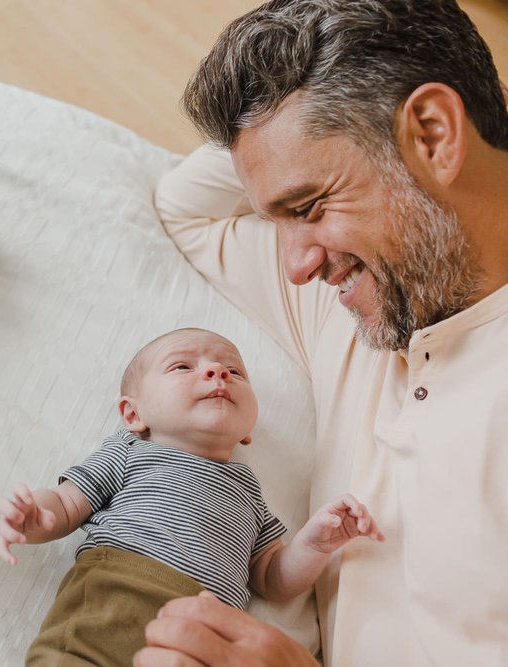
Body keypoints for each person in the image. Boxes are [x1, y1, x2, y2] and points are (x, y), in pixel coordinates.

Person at [144, 1, 508, 665]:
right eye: (275, 218)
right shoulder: (353, 303)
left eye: (308, 206)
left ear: (433, 134)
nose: (295, 263)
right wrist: (292, 129)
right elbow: (185, 209)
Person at [0, 327, 383, 666]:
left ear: (246, 432)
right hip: (113, 599)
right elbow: (65, 504)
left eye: (234, 372)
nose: (217, 374)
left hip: (203, 632)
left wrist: (314, 545)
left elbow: (271, 576)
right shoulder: (130, 451)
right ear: (133, 416)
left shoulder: (247, 490)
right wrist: (33, 516)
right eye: (183, 367)